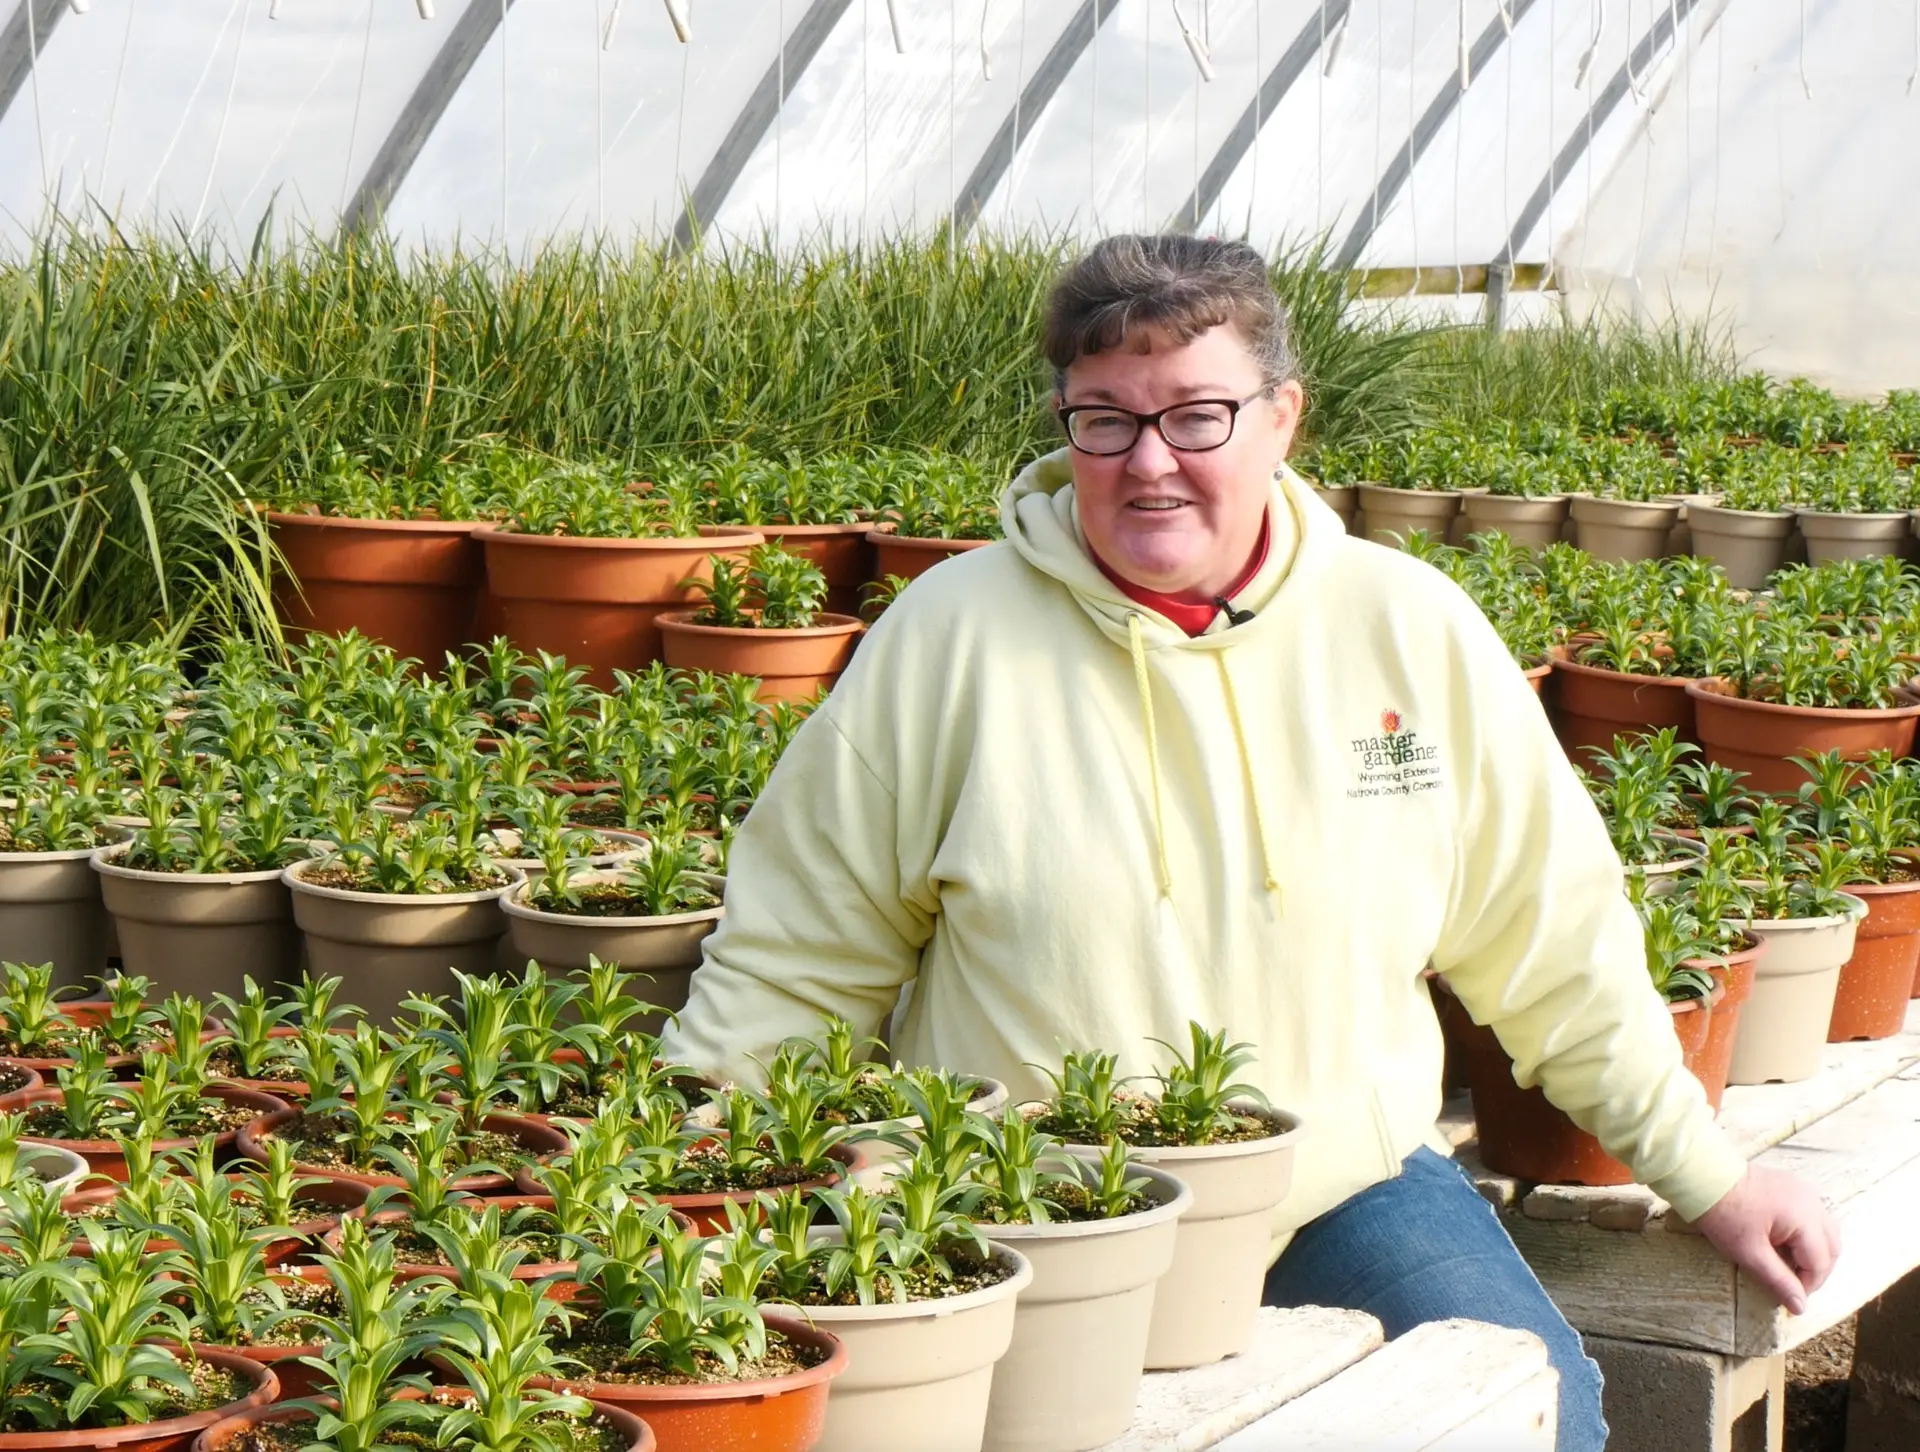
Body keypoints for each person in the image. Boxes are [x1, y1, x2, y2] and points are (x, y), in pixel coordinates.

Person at [658, 234, 1839, 1451]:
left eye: (1197, 415)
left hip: (1337, 1186)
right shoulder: (946, 641)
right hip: (1020, 1205)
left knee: (1533, 1420)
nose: (1149, 462)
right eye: (1103, 419)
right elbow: (797, 964)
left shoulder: (1408, 628)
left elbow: (1553, 946)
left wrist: (1712, 1174)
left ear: (1283, 419)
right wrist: (672, 1210)